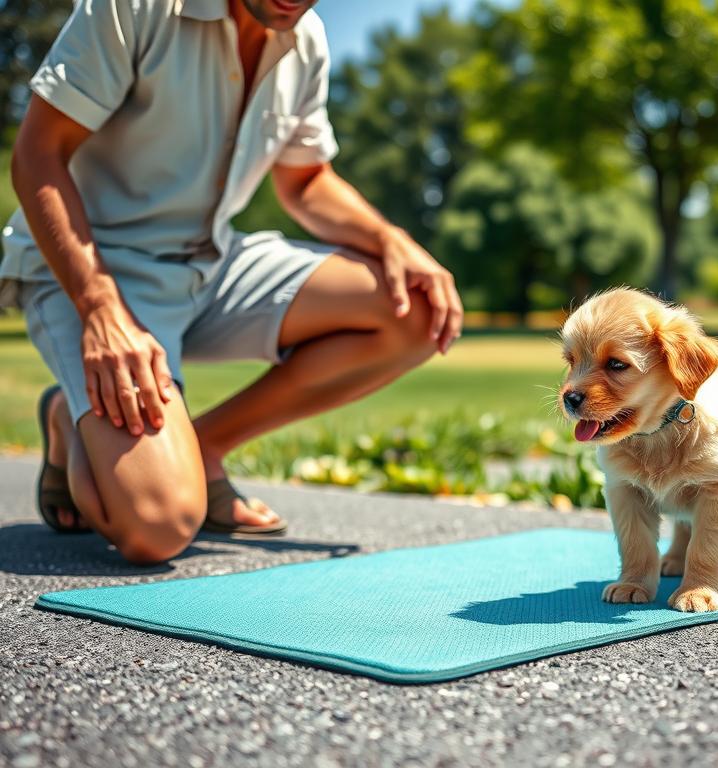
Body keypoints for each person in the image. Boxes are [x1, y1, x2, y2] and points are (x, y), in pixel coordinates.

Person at [2, 0, 463, 563]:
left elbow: (305, 181)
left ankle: (204, 446)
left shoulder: (305, 37)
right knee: (157, 526)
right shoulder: (134, 7)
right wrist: (101, 310)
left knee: (415, 308)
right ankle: (68, 419)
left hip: (212, 263)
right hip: (94, 272)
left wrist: (392, 240)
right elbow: (36, 155)